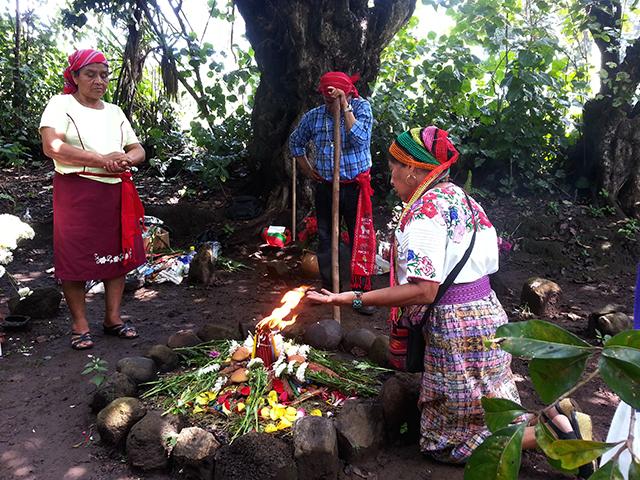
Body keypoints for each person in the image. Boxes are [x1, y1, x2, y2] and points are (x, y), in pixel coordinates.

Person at [307, 126, 595, 475]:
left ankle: (556, 437)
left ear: (414, 167)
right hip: (485, 312)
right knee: (489, 404)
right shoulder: (461, 198)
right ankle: (559, 417)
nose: (391, 175)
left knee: (446, 442)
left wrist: (353, 298)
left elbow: (425, 290)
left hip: (457, 327)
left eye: (394, 166)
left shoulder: (424, 212)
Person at [39, 49, 146, 350]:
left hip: (115, 190)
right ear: (74, 76)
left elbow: (138, 149)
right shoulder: (61, 105)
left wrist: (125, 159)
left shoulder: (114, 112)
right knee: (75, 256)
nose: (99, 80)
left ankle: (113, 318)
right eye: (90, 74)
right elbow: (53, 146)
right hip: (77, 190)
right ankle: (80, 324)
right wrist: (100, 159)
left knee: (117, 253)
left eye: (104, 74)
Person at [289, 71, 376, 314]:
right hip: (326, 186)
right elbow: (295, 143)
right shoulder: (314, 117)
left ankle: (361, 296)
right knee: (326, 237)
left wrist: (344, 106)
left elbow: (360, 140)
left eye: (334, 99)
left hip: (355, 186)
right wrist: (308, 170)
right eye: (327, 100)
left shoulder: (361, 108)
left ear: (348, 93)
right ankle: (329, 290)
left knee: (361, 238)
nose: (330, 105)